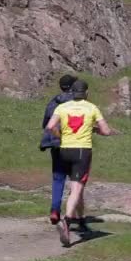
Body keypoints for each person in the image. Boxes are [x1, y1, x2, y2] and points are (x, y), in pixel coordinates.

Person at [45, 79, 114, 246]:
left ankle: (81, 219)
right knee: (76, 188)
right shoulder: (91, 108)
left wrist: (60, 135)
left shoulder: (62, 107)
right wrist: (96, 130)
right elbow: (106, 131)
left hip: (64, 149)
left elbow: (50, 126)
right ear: (86, 93)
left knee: (72, 186)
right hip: (82, 151)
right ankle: (68, 221)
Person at [40, 74, 78, 225]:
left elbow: (45, 123)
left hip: (56, 145)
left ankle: (55, 210)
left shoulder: (53, 102)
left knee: (58, 177)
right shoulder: (78, 103)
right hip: (75, 145)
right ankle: (71, 213)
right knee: (76, 179)